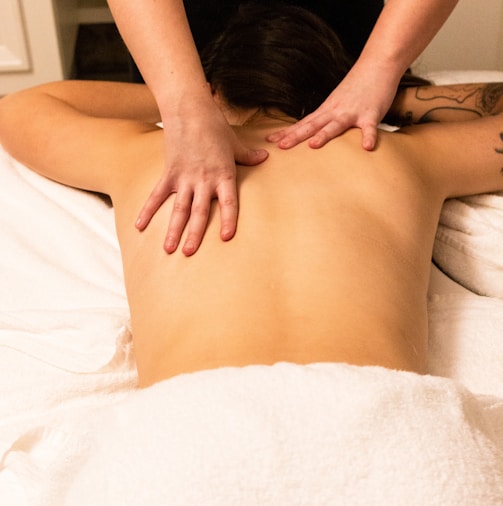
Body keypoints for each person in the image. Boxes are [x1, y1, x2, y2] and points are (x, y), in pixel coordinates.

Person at [0, 5, 501, 389]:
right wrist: (393, 89)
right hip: (382, 411)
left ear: (219, 89)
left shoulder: (144, 156)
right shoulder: (398, 156)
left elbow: (21, 107)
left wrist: (192, 100)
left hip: (191, 420)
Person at [106, 0, 459, 257]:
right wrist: (183, 105)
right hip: (182, 34)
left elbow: (50, 104)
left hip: (340, 42)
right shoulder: (400, 158)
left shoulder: (139, 157)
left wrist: (379, 70)